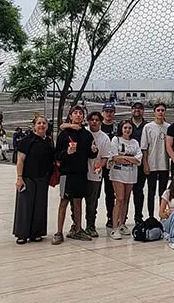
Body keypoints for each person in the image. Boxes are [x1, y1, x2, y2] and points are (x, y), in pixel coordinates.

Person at [52, 106, 98, 245]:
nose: (78, 115)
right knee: (64, 202)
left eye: (80, 113)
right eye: (75, 113)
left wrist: (94, 151)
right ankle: (59, 232)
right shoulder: (64, 134)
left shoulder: (87, 135)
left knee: (78, 202)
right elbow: (56, 155)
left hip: (81, 173)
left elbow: (90, 155)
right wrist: (67, 153)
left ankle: (78, 230)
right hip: (67, 173)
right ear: (71, 116)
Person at [14, 116, 56, 243]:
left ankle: (37, 233)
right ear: (34, 126)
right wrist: (19, 178)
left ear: (47, 126)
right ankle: (22, 234)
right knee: (25, 207)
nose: (41, 125)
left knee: (40, 206)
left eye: (44, 123)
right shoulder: (27, 141)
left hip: (42, 178)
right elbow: (20, 160)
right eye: (39, 123)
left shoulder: (48, 141)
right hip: (28, 178)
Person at [107, 121, 143, 240]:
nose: (127, 130)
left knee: (126, 199)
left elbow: (138, 159)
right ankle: (115, 227)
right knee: (120, 199)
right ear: (121, 129)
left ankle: (122, 223)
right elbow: (116, 158)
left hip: (131, 174)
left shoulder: (135, 142)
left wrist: (125, 158)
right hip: (118, 173)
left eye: (129, 128)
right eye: (125, 127)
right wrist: (130, 159)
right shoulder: (116, 140)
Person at [83, 111, 111, 238]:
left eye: (97, 120)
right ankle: (76, 225)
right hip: (80, 172)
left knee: (92, 201)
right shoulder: (82, 132)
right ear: (88, 121)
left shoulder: (104, 137)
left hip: (94, 173)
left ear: (100, 122)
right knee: (76, 201)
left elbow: (105, 157)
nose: (94, 122)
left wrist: (100, 165)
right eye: (92, 119)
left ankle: (90, 225)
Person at [142, 103, 171, 222]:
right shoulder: (148, 127)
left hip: (164, 164)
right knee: (151, 192)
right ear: (154, 112)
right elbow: (144, 148)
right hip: (152, 164)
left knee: (163, 193)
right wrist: (145, 163)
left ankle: (162, 216)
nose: (160, 112)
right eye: (158, 110)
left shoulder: (169, 127)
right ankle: (150, 216)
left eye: (162, 110)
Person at [127, 102, 148, 224]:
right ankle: (121, 218)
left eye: (140, 109)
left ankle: (138, 217)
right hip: (126, 164)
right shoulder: (126, 125)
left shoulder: (147, 126)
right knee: (124, 193)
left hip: (140, 164)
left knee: (138, 191)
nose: (137, 110)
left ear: (143, 111)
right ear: (131, 110)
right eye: (135, 108)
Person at [99, 102, 118, 228]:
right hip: (99, 163)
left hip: (112, 164)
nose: (109, 114)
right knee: (94, 193)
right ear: (103, 113)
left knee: (110, 192)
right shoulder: (97, 127)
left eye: (111, 111)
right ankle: (91, 220)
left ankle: (111, 216)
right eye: (106, 111)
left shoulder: (118, 128)